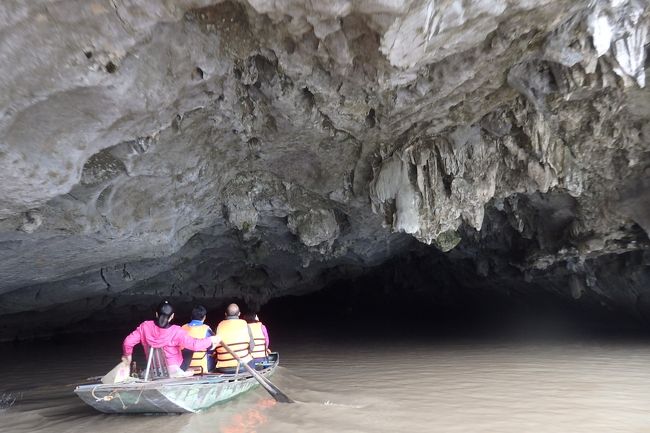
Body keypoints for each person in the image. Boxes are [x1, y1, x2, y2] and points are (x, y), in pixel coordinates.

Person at [122, 300, 221, 378]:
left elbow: (127, 342)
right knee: (188, 348)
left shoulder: (145, 327)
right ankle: (181, 372)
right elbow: (195, 345)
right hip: (174, 369)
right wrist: (211, 339)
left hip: (154, 368)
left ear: (156, 314)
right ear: (172, 316)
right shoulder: (176, 331)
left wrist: (128, 358)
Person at [214, 303, 255, 373]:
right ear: (239, 314)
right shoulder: (245, 324)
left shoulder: (218, 327)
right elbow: (252, 347)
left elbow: (214, 348)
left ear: (225, 314)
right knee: (252, 360)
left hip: (222, 368)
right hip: (243, 366)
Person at [181, 305, 215, 373]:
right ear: (204, 317)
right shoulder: (206, 329)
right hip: (202, 367)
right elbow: (211, 349)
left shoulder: (182, 328)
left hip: (184, 367)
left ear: (191, 316)